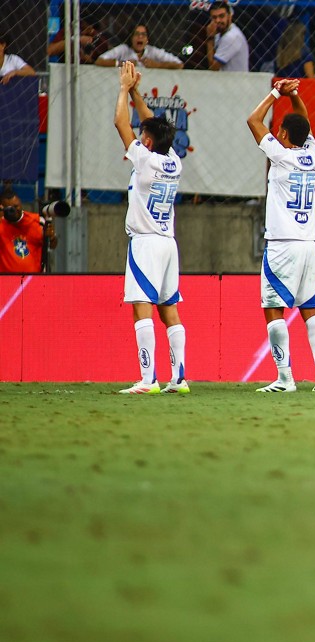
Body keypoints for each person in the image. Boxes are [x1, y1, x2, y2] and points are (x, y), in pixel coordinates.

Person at [246, 79, 315, 393]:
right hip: (309, 244)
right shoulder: (314, 155)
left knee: (272, 308)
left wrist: (275, 93)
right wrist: (294, 95)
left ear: (282, 134)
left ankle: (285, 378)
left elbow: (252, 120)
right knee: (311, 308)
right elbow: (304, 125)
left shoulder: (282, 155)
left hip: (282, 244)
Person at [112, 62, 188, 395]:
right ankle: (180, 378)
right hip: (169, 244)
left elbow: (120, 121)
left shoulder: (144, 158)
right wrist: (137, 92)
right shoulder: (173, 160)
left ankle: (147, 380)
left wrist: (124, 89)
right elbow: (153, 126)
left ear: (146, 140)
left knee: (141, 308)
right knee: (169, 309)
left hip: (144, 243)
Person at [0, 186, 56, 273]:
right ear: (2, 208)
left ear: (20, 203)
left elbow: (52, 246)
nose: (15, 210)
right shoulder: (1, 224)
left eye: (16, 206)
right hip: (6, 280)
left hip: (34, 279)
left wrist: (52, 237)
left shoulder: (37, 221)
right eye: (10, 208)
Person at [95, 24, 183, 69]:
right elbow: (99, 61)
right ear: (131, 38)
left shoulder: (153, 51)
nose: (140, 37)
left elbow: (179, 65)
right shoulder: (123, 49)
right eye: (136, 34)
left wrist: (158, 65)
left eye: (143, 34)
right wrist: (122, 64)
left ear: (147, 39)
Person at [205, 0, 250, 72]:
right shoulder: (218, 34)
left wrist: (210, 38)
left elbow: (213, 67)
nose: (218, 20)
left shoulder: (232, 36)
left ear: (229, 16)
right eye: (214, 17)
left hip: (236, 82)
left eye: (221, 16)